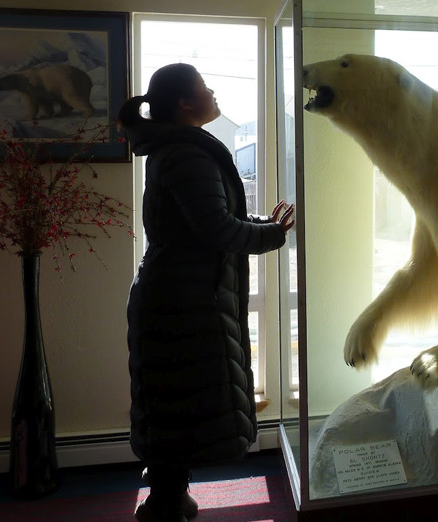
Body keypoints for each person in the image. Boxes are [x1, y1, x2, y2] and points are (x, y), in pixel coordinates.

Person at [118, 63, 295, 522]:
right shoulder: (186, 154)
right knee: (180, 400)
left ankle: (168, 496)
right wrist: (272, 235)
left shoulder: (175, 150)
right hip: (183, 302)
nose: (213, 92)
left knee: (174, 401)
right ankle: (166, 500)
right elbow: (215, 229)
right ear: (183, 103)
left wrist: (262, 226)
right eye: (203, 87)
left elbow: (200, 226)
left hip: (178, 296)